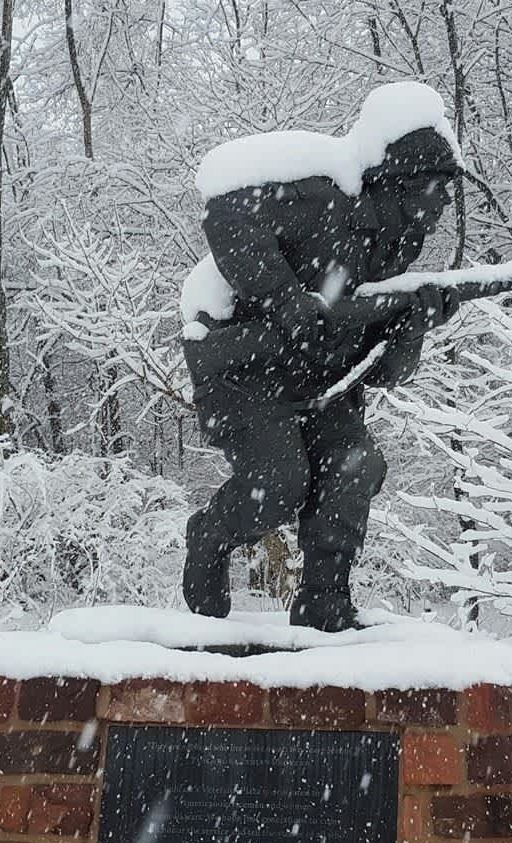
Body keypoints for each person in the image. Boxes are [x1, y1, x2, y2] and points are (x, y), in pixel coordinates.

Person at [183, 82, 463, 631]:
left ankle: (324, 602)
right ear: (400, 181)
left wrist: (413, 326)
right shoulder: (325, 196)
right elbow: (225, 208)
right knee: (280, 483)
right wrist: (286, 300)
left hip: (325, 382)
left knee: (355, 466)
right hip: (244, 370)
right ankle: (210, 537)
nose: (446, 200)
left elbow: (384, 373)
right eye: (438, 185)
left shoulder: (403, 245)